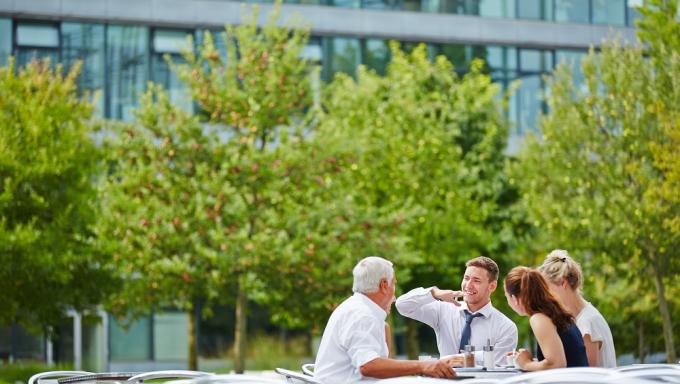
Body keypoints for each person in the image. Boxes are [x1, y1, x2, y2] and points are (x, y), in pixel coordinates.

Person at [314, 256, 456, 383]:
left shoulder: (355, 308)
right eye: (393, 284)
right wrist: (424, 366)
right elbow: (368, 366)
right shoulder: (363, 315)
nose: (394, 298)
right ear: (383, 285)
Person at [395, 256, 517, 365]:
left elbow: (499, 360)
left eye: (476, 280)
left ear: (492, 286)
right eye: (466, 278)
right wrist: (434, 293)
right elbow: (402, 305)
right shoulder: (443, 310)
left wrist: (451, 359)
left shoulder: (506, 327)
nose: (468, 285)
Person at [538, 249, 617, 368]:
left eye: (547, 289)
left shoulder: (587, 323)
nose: (546, 295)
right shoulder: (580, 317)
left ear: (562, 283)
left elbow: (584, 376)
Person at [504, 266, 588, 371]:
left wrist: (526, 364)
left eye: (506, 297)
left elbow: (557, 364)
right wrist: (526, 360)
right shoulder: (555, 311)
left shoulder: (539, 318)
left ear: (515, 299)